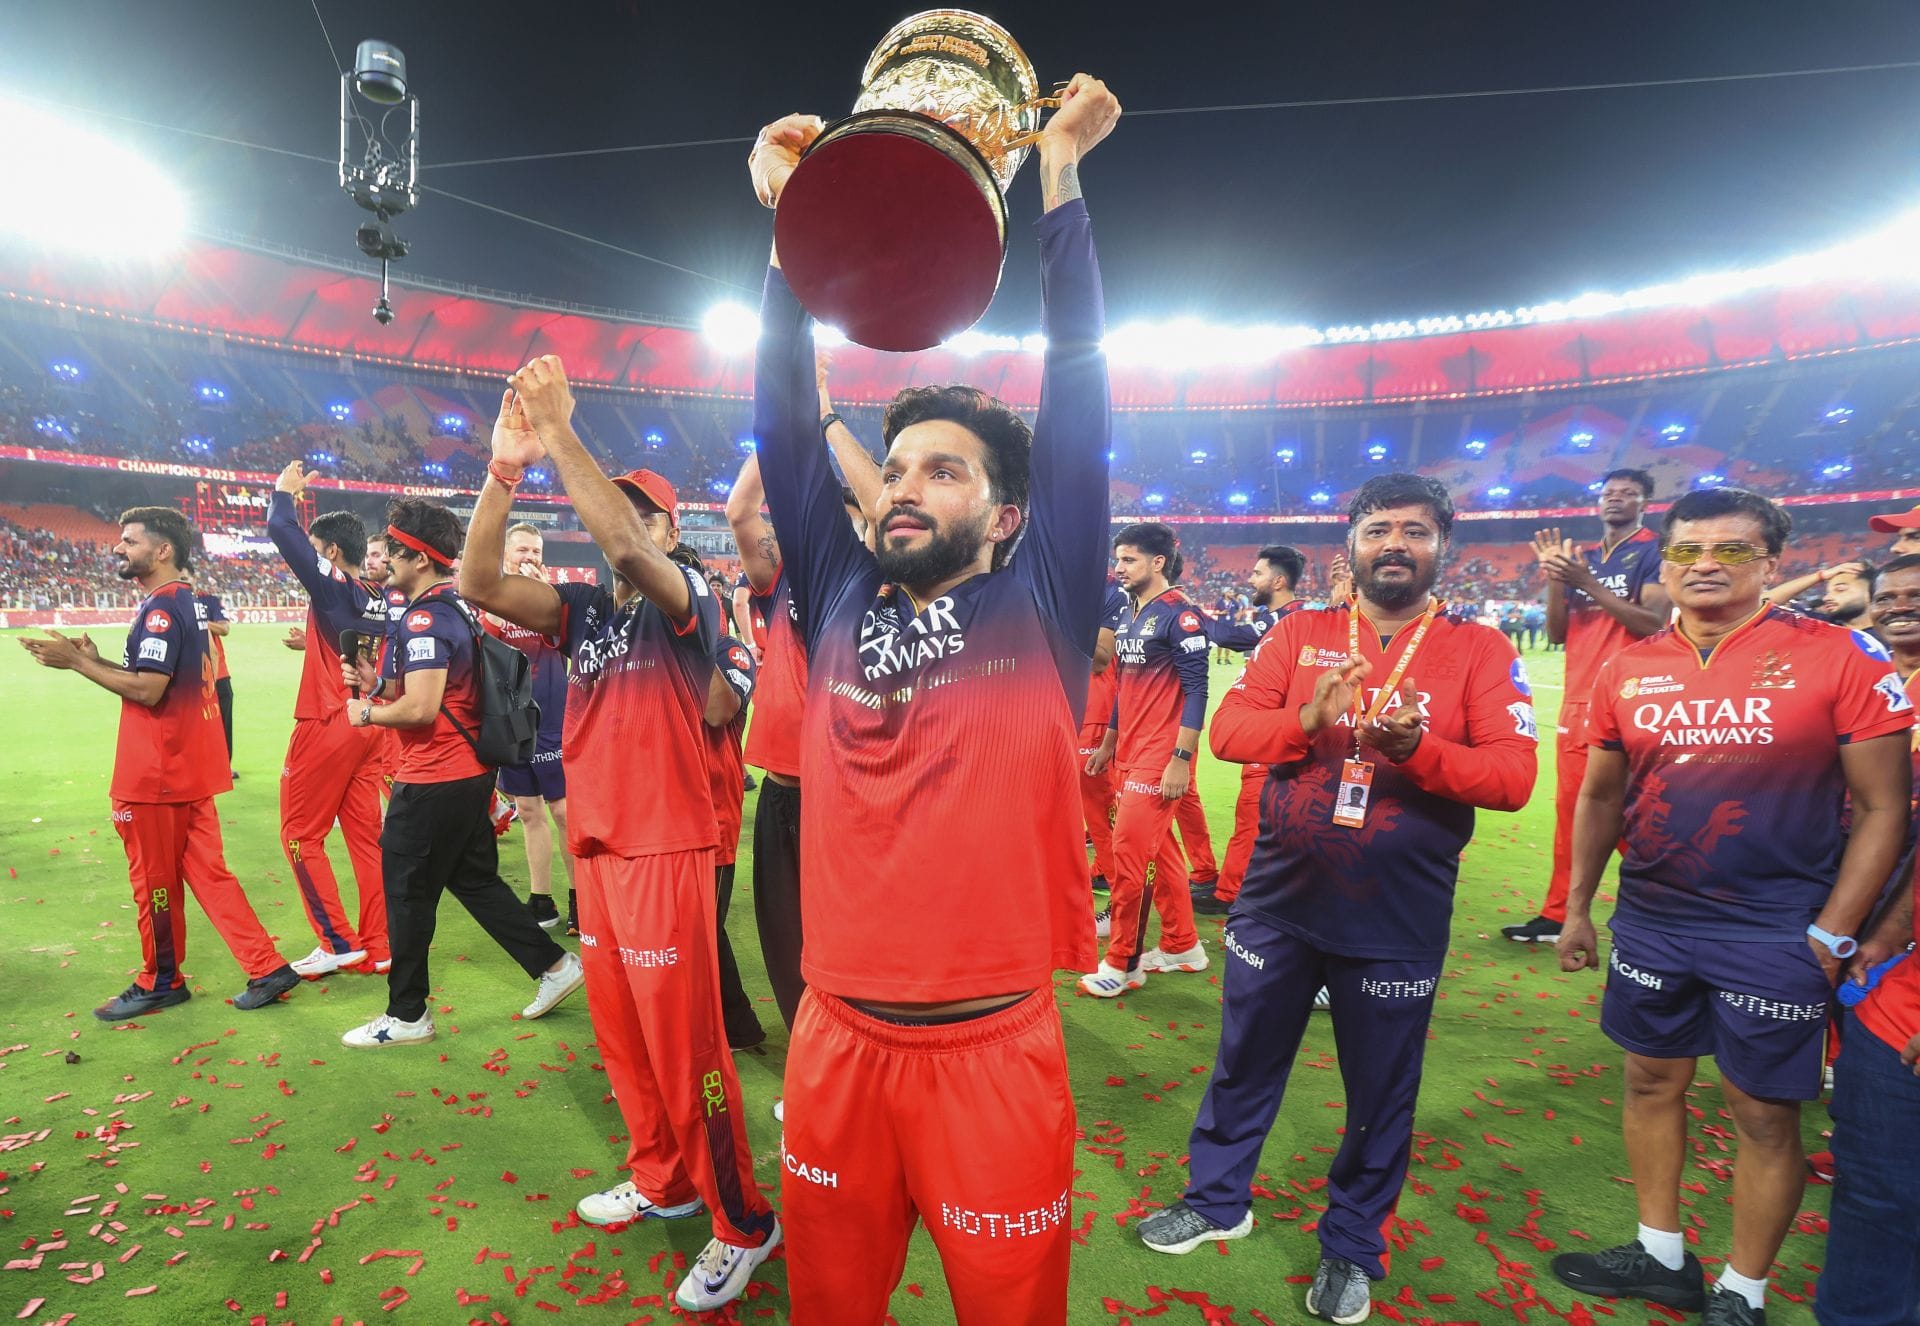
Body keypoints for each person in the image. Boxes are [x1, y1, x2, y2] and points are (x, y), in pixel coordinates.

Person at [748, 77, 1118, 1324]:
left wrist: (1059, 172)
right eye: (896, 468)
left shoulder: (1045, 601)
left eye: (943, 471)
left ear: (1004, 512)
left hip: (994, 1054)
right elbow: (787, 428)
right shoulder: (838, 591)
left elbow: (1080, 392)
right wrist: (792, 235)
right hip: (837, 1041)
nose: (905, 486)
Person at [1136, 474, 1537, 1326]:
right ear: (1350, 543)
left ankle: (1352, 1243)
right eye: (1380, 527)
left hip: (1397, 913)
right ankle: (1217, 1201)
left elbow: (1512, 778)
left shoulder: (1479, 648)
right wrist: (1306, 718)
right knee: (1244, 1056)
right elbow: (1231, 732)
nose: (1397, 542)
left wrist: (1421, 749)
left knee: (1380, 1088)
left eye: (1417, 531)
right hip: (1280, 897)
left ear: (1443, 548)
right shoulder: (1302, 632)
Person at [1551, 487, 1912, 1326]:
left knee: (1761, 1111)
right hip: (1653, 916)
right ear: (1664, 561)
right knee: (1649, 1079)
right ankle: (1660, 1253)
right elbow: (1602, 796)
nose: (1705, 564)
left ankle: (1741, 1293)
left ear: (1771, 563)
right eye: (1685, 551)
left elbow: (1886, 808)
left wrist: (1834, 931)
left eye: (1732, 550)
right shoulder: (1629, 666)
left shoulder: (1841, 655)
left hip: (1776, 927)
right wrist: (1578, 907)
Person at [460, 375, 778, 1314]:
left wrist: (560, 430)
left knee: (689, 1053)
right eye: (614, 506)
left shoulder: (695, 602)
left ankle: (742, 1222)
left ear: (669, 531)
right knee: (626, 1041)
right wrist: (504, 473)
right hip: (598, 850)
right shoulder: (581, 614)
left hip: (665, 849)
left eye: (640, 513)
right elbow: (478, 582)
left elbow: (628, 547)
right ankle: (663, 1176)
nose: (618, 527)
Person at [20, 506, 299, 1020]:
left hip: (156, 774)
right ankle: (266, 965)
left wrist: (78, 662)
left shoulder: (163, 608)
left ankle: (161, 980)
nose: (118, 549)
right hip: (189, 765)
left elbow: (149, 691)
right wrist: (97, 658)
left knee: (155, 883)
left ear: (162, 549)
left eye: (129, 541)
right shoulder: (188, 601)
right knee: (209, 874)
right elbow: (157, 678)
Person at [338, 498, 584, 1050]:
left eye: (395, 549)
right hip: (467, 771)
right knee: (472, 880)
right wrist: (377, 680)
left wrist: (368, 711)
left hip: (434, 777)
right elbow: (435, 694)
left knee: (405, 890)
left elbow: (422, 710)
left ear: (419, 558)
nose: (385, 558)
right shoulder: (453, 609)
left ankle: (407, 1015)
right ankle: (554, 966)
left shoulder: (425, 616)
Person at [724, 429, 877, 1044]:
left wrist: (827, 422)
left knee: (847, 936)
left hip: (844, 794)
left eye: (842, 530)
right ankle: (814, 1057)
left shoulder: (880, 587)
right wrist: (782, 421)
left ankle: (858, 1051)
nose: (825, 542)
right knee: (784, 933)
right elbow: (740, 510)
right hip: (782, 786)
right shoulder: (781, 578)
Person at [1815, 559, 1920, 1326]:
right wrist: (1880, 926)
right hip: (1876, 940)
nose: (1901, 610)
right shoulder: (1879, 677)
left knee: (1887, 1193)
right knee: (1876, 1184)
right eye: (1891, 598)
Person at [1504, 469, 1669, 945]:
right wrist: (1559, 580)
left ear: (1644, 502)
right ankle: (1559, 914)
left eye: (1627, 493)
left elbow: (1652, 622)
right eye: (1608, 493)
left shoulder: (1654, 551)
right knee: (1572, 812)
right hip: (1581, 699)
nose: (1615, 499)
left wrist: (1587, 582)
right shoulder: (1585, 556)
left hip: (1638, 697)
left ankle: (1672, 904)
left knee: (1642, 812)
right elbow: (1557, 634)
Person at [265, 461, 393, 978]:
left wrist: (283, 494)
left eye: (319, 551)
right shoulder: (376, 598)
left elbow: (281, 531)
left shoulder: (337, 586)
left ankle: (337, 940)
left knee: (299, 834)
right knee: (366, 839)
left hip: (325, 722)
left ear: (333, 553)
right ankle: (380, 946)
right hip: (367, 724)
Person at [1083, 522, 1209, 994]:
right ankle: (1182, 945)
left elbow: (1198, 690)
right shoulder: (1134, 614)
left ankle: (1122, 963)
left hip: (1160, 757)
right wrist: (1110, 743)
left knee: (1129, 858)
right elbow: (1122, 689)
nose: (1119, 568)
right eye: (1118, 559)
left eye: (1129, 559)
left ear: (1158, 562)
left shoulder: (1181, 615)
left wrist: (1181, 757)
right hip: (1130, 753)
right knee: (1163, 854)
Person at [1194, 544, 1306, 915]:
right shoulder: (1294, 616)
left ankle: (1230, 893)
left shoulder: (1287, 618)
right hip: (1275, 731)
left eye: (1257, 573)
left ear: (1277, 580)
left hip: (1272, 735)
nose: (1251, 579)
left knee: (1252, 815)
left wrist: (1189, 616)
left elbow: (1232, 636)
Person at [483, 522, 574, 932]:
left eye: (535, 551)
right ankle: (541, 900)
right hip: (510, 722)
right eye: (522, 550)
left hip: (553, 719)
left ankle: (582, 900)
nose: (530, 557)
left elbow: (563, 639)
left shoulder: (555, 600)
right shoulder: (491, 599)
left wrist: (547, 595)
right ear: (506, 554)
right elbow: (485, 643)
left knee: (564, 812)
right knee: (528, 809)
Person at [1081, 577, 1127, 909]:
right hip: (1063, 707)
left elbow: (1099, 658)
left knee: (1099, 810)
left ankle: (1121, 897)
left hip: (1093, 712)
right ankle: (1102, 870)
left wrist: (1053, 619)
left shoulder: (1110, 591)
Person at [196, 590, 235, 775]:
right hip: (191, 676)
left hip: (219, 674)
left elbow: (224, 629)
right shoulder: (172, 602)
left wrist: (198, 620)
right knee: (195, 724)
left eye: (188, 577)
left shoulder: (208, 600)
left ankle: (224, 767)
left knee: (223, 723)